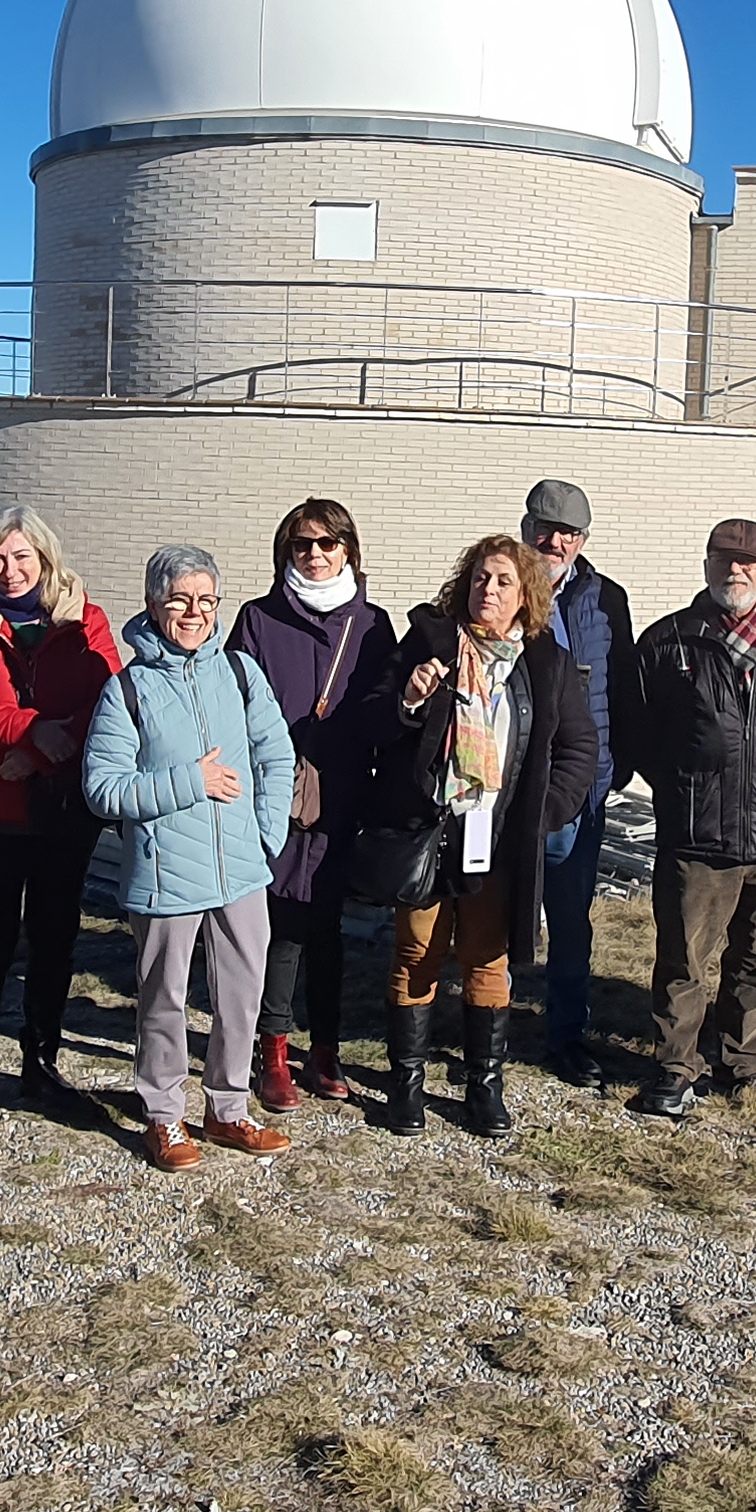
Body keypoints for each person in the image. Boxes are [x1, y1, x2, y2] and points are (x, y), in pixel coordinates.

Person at [359, 533, 601, 1140]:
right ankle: (407, 1086)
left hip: (497, 837)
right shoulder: (431, 643)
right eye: (478, 579)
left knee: (487, 961)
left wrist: (541, 813)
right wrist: (410, 701)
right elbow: (374, 719)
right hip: (430, 828)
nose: (487, 591)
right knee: (417, 952)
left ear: (526, 596)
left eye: (501, 582)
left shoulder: (545, 662)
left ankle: (483, 1088)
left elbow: (578, 748)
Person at [86, 543, 297, 1168]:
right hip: (164, 873)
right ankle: (163, 1115)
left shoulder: (239, 673)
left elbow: (275, 754)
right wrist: (190, 781)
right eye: (180, 600)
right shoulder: (125, 691)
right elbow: (103, 788)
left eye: (206, 601)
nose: (194, 612)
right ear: (154, 604)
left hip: (241, 870)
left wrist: (266, 836)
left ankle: (229, 1109)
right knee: (164, 997)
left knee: (241, 994)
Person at [0, 506, 125, 1137]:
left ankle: (41, 1064)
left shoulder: (84, 620)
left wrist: (37, 752)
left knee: (55, 940)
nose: (9, 572)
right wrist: (30, 728)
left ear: (45, 559)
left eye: (22, 558)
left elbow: (110, 701)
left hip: (63, 808)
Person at [620, 518, 756, 1121]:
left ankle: (741, 1065)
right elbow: (636, 733)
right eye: (724, 559)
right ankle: (676, 1066)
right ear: (706, 566)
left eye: (749, 561)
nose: (736, 570)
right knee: (684, 959)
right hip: (695, 835)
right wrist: (682, 790)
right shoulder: (667, 641)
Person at [228, 499, 385, 1107]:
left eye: (327, 543)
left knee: (328, 929)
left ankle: (325, 1050)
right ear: (284, 552)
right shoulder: (258, 619)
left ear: (349, 549)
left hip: (343, 797)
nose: (314, 554)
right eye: (302, 544)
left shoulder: (371, 624)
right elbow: (239, 705)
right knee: (281, 926)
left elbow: (379, 713)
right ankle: (271, 1051)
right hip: (276, 797)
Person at [520, 479, 636, 1087]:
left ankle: (566, 1034)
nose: (555, 541)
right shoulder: (499, 587)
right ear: (525, 528)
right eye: (546, 529)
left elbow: (622, 685)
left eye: (568, 533)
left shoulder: (605, 598)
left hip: (579, 787)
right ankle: (485, 1024)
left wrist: (615, 766)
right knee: (496, 913)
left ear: (584, 540)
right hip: (507, 784)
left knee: (570, 917)